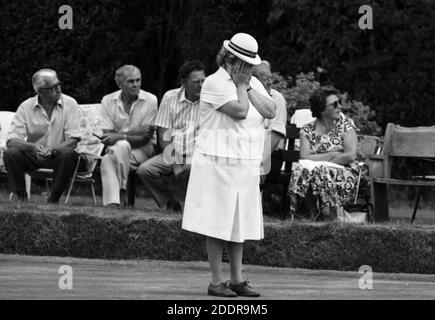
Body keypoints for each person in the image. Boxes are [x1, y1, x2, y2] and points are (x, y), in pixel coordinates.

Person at [182, 33, 276, 297]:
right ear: (230, 59)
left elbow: (270, 111)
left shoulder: (251, 81)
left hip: (245, 162)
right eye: (244, 63)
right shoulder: (213, 83)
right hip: (217, 162)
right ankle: (216, 281)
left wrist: (245, 86)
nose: (249, 68)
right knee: (217, 222)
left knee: (238, 223)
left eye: (250, 64)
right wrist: (241, 88)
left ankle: (237, 279)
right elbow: (241, 111)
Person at [136, 60, 206, 211]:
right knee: (145, 170)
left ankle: (193, 208)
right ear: (183, 82)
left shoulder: (210, 100)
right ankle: (170, 203)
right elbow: (163, 135)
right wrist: (176, 164)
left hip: (199, 154)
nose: (201, 85)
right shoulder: (170, 97)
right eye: (196, 82)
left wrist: (188, 163)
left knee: (190, 168)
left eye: (203, 81)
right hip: (173, 153)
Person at [3, 69, 81, 203]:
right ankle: (22, 197)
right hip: (35, 155)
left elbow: (73, 139)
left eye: (58, 84)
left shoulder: (70, 103)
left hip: (60, 154)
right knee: (10, 153)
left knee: (67, 153)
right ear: (39, 91)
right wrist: (32, 147)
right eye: (52, 88)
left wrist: (53, 150)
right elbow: (11, 140)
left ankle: (53, 200)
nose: (58, 89)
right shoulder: (26, 106)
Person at [288, 87, 359, 220]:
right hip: (315, 172)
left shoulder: (346, 127)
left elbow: (350, 156)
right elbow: (304, 158)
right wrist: (333, 154)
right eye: (335, 104)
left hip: (345, 171)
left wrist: (320, 163)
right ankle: (315, 213)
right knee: (301, 171)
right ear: (321, 109)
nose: (340, 107)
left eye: (339, 103)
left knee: (322, 172)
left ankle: (331, 216)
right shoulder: (307, 130)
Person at [99, 65, 158, 208]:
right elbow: (108, 137)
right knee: (110, 157)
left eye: (138, 80)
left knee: (116, 150)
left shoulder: (151, 100)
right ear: (119, 84)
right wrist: (135, 131)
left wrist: (119, 136)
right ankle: (115, 202)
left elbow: (145, 137)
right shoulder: (107, 100)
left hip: (143, 149)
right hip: (117, 150)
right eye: (131, 81)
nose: (136, 85)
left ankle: (118, 196)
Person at [252, 60, 287, 179]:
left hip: (270, 154)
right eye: (265, 78)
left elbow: (276, 135)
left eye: (270, 77)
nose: (270, 82)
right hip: (249, 152)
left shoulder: (277, 98)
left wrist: (259, 165)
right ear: (253, 79)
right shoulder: (245, 96)